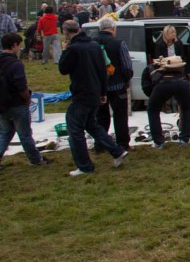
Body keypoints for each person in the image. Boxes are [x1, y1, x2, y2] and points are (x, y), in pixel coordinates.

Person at [58, 20, 128, 176]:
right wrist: (103, 92)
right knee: (91, 125)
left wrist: (64, 50)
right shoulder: (94, 46)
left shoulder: (73, 49)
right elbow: (103, 71)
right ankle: (117, 151)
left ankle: (84, 166)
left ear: (66, 32)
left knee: (74, 128)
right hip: (95, 91)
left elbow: (63, 69)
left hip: (81, 93)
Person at [0, 33, 50, 168]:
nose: (20, 48)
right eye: (19, 45)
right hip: (16, 104)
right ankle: (36, 159)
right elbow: (21, 86)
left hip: (2, 105)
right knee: (25, 134)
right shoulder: (16, 64)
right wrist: (27, 99)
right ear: (14, 45)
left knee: (5, 133)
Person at [94, 18, 134, 151]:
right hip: (117, 85)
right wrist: (127, 79)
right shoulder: (118, 43)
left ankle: (100, 144)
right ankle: (122, 143)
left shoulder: (92, 43)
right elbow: (127, 65)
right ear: (113, 28)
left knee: (101, 117)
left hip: (98, 87)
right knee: (120, 116)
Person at [147, 56, 190, 147]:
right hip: (181, 84)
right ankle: (184, 139)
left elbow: (146, 86)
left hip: (163, 85)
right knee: (187, 108)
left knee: (152, 110)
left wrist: (152, 96)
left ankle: (158, 142)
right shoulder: (182, 73)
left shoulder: (152, 70)